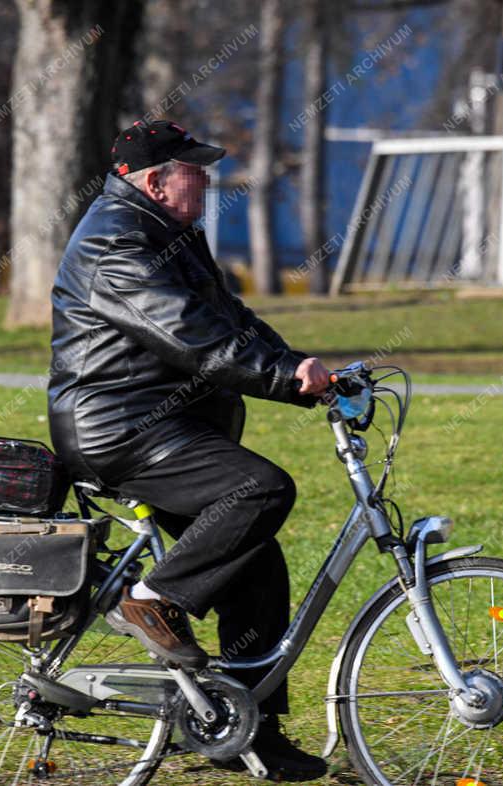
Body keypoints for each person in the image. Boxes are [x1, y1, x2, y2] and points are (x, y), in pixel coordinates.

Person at [47, 119, 330, 780]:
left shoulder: (167, 233)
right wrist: (284, 377)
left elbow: (230, 320)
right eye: (194, 168)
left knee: (255, 563)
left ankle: (249, 733)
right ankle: (149, 601)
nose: (207, 179)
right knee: (259, 489)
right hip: (119, 428)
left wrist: (303, 371)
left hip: (158, 424)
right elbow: (188, 334)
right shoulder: (117, 241)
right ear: (154, 180)